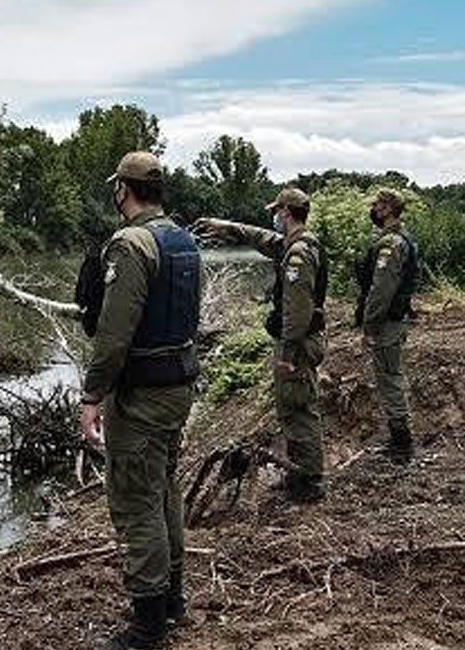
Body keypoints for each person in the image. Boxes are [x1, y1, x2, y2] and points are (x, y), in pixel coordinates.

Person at [78, 151, 202, 649]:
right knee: (164, 489)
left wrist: (92, 395)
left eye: (116, 187)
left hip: (142, 396)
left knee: (136, 502)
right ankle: (171, 602)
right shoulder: (183, 239)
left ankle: (148, 624)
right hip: (177, 386)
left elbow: (113, 337)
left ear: (123, 190)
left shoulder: (131, 244)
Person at [194, 188, 329, 502]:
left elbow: (297, 311)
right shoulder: (295, 244)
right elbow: (262, 238)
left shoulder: (298, 254)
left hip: (297, 345)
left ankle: (309, 481)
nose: (274, 217)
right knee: (291, 407)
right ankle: (299, 473)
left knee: (299, 410)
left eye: (277, 211)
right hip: (299, 342)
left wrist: (288, 354)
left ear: (286, 212)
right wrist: (227, 227)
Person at [355, 188, 420, 461]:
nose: (373, 210)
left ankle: (402, 443)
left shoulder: (391, 243)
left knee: (390, 379)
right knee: (390, 377)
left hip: (387, 323)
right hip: (393, 319)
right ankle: (399, 439)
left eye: (377, 205)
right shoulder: (397, 238)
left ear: (388, 209)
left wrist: (369, 326)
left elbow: (381, 290)